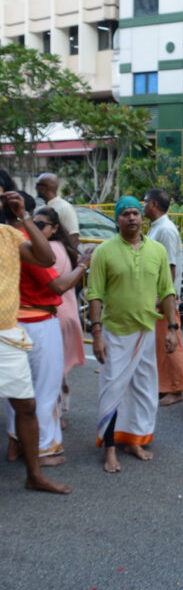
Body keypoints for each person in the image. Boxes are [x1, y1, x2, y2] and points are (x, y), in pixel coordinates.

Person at [86, 196, 178, 472]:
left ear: (142, 217)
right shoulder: (104, 251)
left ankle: (135, 440)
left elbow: (168, 291)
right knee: (113, 391)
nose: (132, 218)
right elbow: (95, 295)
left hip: (146, 332)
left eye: (136, 213)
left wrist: (172, 328)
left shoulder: (157, 250)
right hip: (114, 334)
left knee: (143, 390)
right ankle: (110, 447)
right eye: (126, 214)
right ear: (117, 219)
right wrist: (97, 333)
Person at [5, 201, 91, 464]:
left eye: (39, 224)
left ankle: (15, 445)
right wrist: (83, 266)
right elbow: (59, 285)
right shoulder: (25, 246)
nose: (34, 227)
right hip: (38, 323)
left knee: (18, 391)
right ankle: (44, 449)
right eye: (33, 222)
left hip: (17, 322)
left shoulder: (10, 241)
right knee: (44, 389)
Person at [0, 191, 71, 494]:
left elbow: (47, 258)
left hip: (7, 332)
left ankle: (34, 476)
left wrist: (25, 218)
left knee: (26, 405)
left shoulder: (8, 234)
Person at [33, 206, 89, 429]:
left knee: (51, 370)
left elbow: (55, 285)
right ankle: (60, 407)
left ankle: (57, 413)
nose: (35, 229)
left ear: (55, 227)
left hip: (55, 315)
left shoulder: (49, 251)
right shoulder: (61, 247)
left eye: (40, 225)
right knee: (57, 368)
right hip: (66, 314)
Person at [143, 188, 183, 406]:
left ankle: (176, 388)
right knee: (161, 344)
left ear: (153, 204)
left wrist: (162, 297)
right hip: (157, 297)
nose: (142, 207)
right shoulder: (157, 227)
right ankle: (164, 385)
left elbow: (169, 266)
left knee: (170, 342)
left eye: (144, 202)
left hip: (164, 298)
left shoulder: (166, 230)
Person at [35, 173, 80, 251]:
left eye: (37, 185)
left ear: (46, 187)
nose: (35, 188)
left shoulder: (65, 207)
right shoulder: (42, 208)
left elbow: (74, 237)